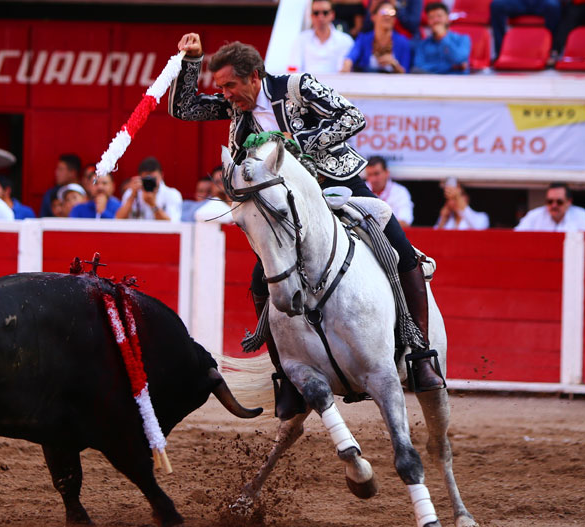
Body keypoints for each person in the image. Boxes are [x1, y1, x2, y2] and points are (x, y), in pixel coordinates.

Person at [170, 33, 445, 417]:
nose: (226, 94)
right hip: (287, 205)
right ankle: (285, 376)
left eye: (230, 85)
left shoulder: (297, 87)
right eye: (221, 88)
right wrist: (192, 62)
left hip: (336, 184)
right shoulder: (236, 109)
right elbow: (184, 108)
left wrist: (298, 142)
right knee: (259, 281)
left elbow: (352, 117)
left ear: (254, 77)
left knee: (397, 248)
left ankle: (420, 354)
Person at [342, 1, 412, 73]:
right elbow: (352, 56)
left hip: (394, 83)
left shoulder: (403, 42)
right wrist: (347, 64)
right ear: (373, 17)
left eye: (392, 13)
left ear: (395, 19)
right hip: (366, 82)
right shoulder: (363, 39)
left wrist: (394, 64)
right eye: (384, 12)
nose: (387, 17)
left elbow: (406, 72)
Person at [116, 157, 183, 222]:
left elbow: (173, 225)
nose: (149, 182)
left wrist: (153, 205)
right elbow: (118, 219)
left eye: (153, 179)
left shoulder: (172, 194)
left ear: (161, 175)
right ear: (140, 177)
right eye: (146, 179)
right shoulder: (131, 193)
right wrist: (132, 197)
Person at [490, 0, 561, 60]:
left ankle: (551, 51)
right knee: (497, 5)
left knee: (553, 5)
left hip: (541, 2)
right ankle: (500, 52)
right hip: (519, 2)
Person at [296, 0, 355, 73]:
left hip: (337, 83)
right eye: (316, 13)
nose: (320, 17)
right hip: (306, 83)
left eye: (325, 13)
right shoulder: (301, 39)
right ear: (311, 16)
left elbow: (344, 71)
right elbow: (295, 68)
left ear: (332, 15)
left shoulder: (345, 40)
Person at [412, 2, 470, 74]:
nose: (436, 20)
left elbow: (459, 59)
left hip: (457, 83)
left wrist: (443, 37)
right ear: (428, 22)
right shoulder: (422, 45)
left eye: (439, 16)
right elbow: (418, 68)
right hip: (431, 83)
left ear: (447, 18)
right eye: (431, 17)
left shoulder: (462, 39)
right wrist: (451, 67)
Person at [514, 183, 585, 232]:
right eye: (550, 201)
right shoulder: (534, 216)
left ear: (569, 201)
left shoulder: (583, 217)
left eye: (559, 202)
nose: (554, 205)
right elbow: (517, 236)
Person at [364, 156, 413, 226]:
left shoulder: (400, 192)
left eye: (376, 174)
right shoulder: (361, 189)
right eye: (369, 175)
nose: (373, 179)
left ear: (387, 172)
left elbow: (405, 222)